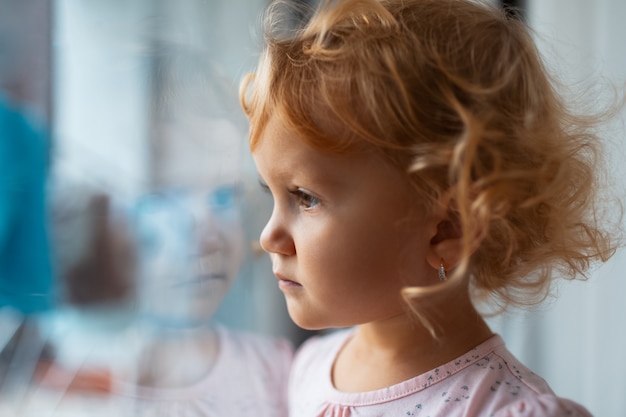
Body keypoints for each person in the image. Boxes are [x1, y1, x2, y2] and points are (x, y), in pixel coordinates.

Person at [239, 0, 621, 416]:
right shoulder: (308, 370)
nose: (269, 237)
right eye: (271, 193)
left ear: (446, 229)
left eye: (306, 197)